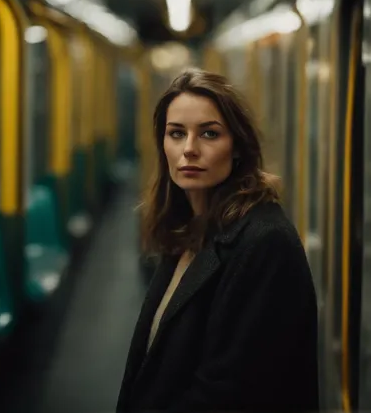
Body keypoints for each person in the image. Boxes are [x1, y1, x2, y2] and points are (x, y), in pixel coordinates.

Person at [117, 68, 319, 412]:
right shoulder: (188, 228)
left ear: (237, 147)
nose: (189, 149)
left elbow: (232, 394)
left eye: (209, 134)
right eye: (176, 134)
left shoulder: (265, 244)